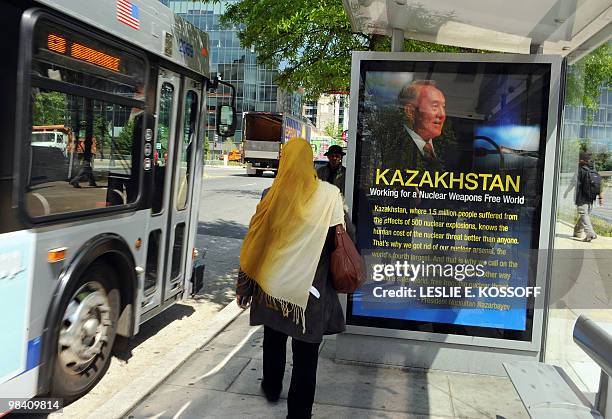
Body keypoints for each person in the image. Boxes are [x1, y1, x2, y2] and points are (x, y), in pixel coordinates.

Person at [236, 137, 346, 418]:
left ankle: (272, 387)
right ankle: (298, 414)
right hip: (309, 291)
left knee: (273, 341)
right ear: (309, 162)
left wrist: (244, 286)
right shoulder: (330, 196)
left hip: (272, 287)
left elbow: (255, 242)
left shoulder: (269, 195)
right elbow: (341, 242)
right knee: (306, 357)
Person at [397, 79, 447, 170]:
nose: (442, 114)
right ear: (410, 111)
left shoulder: (447, 148)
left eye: (443, 107)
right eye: (435, 106)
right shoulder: (392, 144)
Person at [564, 151, 604, 242]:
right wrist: (600, 197)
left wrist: (566, 192)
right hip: (591, 197)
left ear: (581, 160)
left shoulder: (580, 170)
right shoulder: (593, 170)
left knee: (583, 214)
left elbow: (573, 183)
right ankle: (577, 232)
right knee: (584, 214)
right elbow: (600, 184)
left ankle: (590, 234)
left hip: (581, 196)